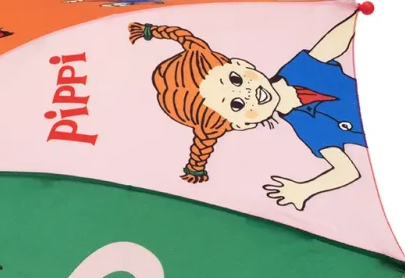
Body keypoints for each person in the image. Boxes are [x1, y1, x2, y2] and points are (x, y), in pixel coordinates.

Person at [128, 12, 365, 210]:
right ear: (241, 124)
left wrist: (355, 16)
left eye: (236, 79)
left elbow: (338, 39)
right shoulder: (308, 129)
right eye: (237, 105)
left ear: (241, 64)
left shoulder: (302, 68)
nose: (249, 93)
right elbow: (347, 172)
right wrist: (304, 190)